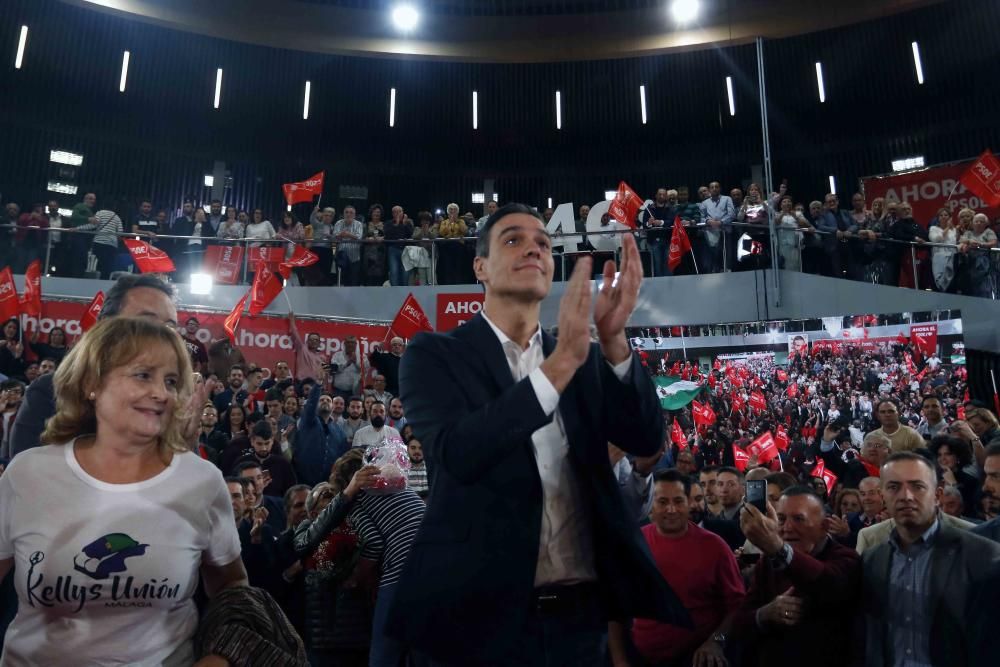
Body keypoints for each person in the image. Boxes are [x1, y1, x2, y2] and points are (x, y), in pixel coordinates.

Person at [387, 203, 689, 664]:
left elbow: (647, 439)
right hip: (480, 624)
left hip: (581, 621)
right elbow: (459, 453)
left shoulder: (579, 356)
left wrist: (613, 342)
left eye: (544, 244)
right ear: (480, 267)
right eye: (513, 239)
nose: (534, 248)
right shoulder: (434, 354)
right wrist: (561, 364)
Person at [0, 317, 247, 665]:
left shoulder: (202, 482)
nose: (161, 393)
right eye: (143, 375)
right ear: (92, 383)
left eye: (172, 380)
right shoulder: (27, 474)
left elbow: (232, 588)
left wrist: (221, 656)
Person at [9, 274, 215, 459]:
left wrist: (182, 447)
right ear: (106, 327)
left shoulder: (173, 400)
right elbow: (26, 485)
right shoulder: (49, 392)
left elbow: (188, 495)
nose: (160, 335)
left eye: (169, 327)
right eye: (145, 323)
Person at [860, 452, 1000, 666]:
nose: (906, 496)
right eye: (894, 487)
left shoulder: (982, 556)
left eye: (917, 486)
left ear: (937, 495)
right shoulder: (872, 559)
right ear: (883, 496)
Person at [608, 470, 745, 666]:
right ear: (650, 505)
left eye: (678, 501)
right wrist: (620, 661)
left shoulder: (716, 547)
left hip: (697, 658)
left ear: (688, 503)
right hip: (640, 657)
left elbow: (737, 607)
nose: (671, 509)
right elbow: (615, 609)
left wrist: (716, 643)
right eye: (662, 502)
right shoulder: (633, 545)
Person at [726, 487, 862, 667]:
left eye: (798, 519)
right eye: (781, 519)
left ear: (825, 527)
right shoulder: (768, 563)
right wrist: (764, 613)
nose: (787, 528)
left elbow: (826, 582)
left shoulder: (846, 559)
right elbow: (738, 624)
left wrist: (777, 548)